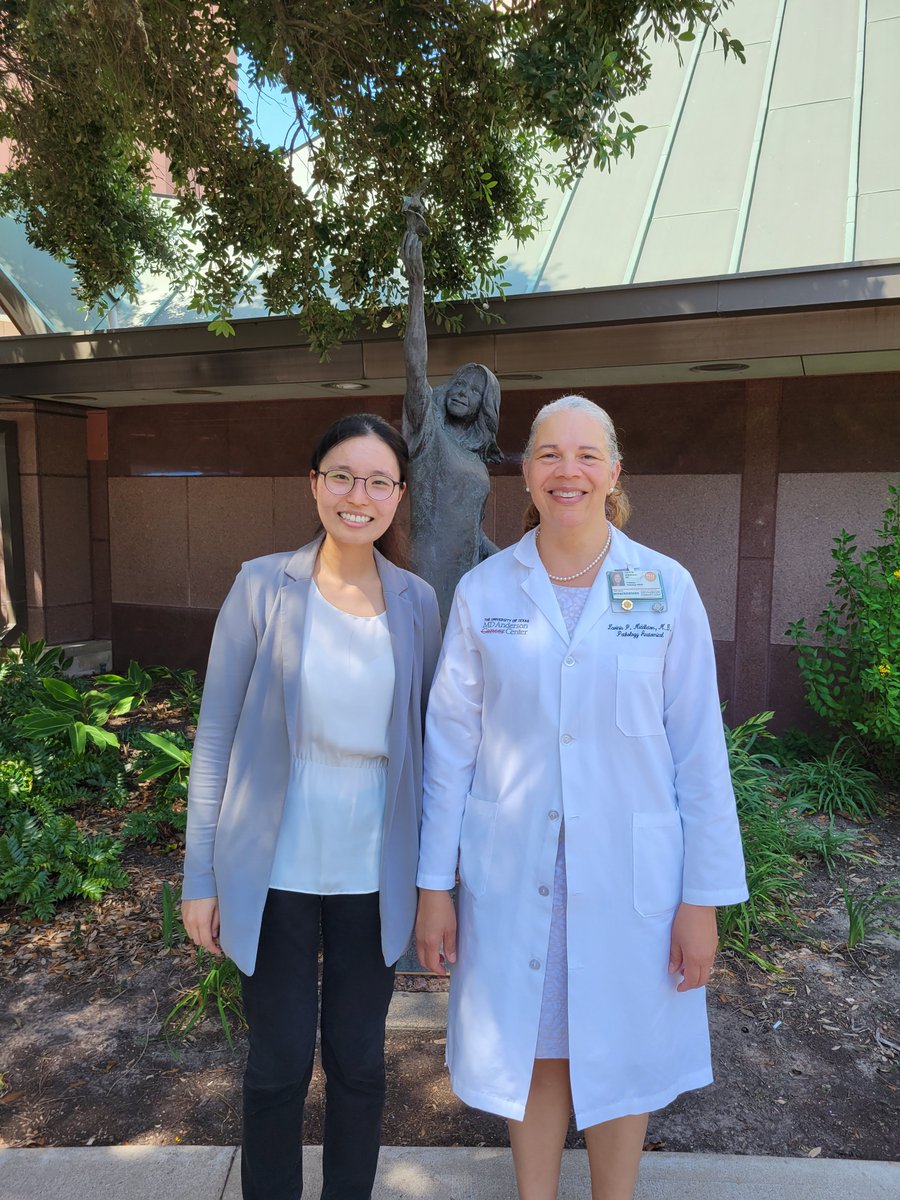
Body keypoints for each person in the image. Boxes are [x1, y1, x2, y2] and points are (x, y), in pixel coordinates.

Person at [415, 395, 748, 1200]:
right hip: (515, 868)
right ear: (525, 473)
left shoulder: (664, 588)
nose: (569, 470)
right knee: (538, 1041)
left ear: (613, 473)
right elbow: (449, 750)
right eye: (550, 455)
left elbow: (699, 753)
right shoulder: (485, 592)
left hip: (629, 878)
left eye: (587, 455)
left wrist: (700, 900)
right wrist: (434, 889)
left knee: (620, 1047)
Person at [181, 413, 441, 1200]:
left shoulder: (418, 601)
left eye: (377, 481)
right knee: (278, 1064)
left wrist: (439, 881)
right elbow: (216, 734)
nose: (358, 496)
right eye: (341, 476)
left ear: (399, 495)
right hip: (276, 864)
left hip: (374, 866)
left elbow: (433, 748)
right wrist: (201, 876)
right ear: (315, 484)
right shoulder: (263, 585)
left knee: (360, 1064)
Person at [400, 199, 502, 623]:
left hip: (468, 571)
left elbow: (472, 530)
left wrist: (509, 559)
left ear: (485, 406)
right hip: (430, 566)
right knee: (429, 662)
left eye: (475, 390)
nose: (463, 391)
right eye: (459, 382)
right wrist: (416, 288)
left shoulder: (476, 457)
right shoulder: (429, 432)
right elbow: (415, 363)